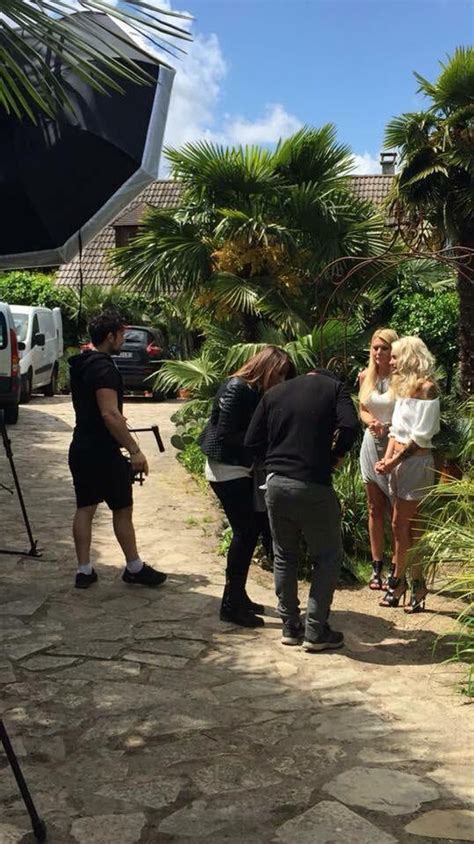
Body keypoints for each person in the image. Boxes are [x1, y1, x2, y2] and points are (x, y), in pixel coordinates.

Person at [245, 369, 360, 651]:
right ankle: (316, 630)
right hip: (313, 485)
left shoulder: (274, 393)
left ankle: (290, 626)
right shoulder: (335, 389)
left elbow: (251, 440)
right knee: (327, 555)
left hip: (276, 484)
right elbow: (350, 426)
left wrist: (272, 463)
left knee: (284, 555)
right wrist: (335, 456)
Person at [68, 311, 167, 590]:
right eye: (122, 335)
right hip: (102, 451)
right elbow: (110, 414)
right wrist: (135, 450)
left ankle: (84, 570)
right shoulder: (104, 368)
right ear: (110, 337)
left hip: (81, 446)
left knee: (85, 508)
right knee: (122, 508)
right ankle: (134, 567)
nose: (124, 339)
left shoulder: (81, 363)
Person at [199, 347, 295, 628]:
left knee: (249, 532)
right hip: (227, 469)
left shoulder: (252, 390)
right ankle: (230, 604)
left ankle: (237, 596)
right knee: (245, 532)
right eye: (279, 375)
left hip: (239, 467)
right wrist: (264, 443)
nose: (281, 381)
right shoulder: (237, 388)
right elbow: (227, 434)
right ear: (267, 368)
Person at [375, 336, 440, 612]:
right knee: (403, 527)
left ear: (410, 357)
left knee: (405, 526)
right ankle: (413, 583)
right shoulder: (403, 388)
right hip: (398, 463)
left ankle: (402, 581)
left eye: (395, 356)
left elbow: (420, 438)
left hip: (415, 464)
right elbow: (395, 431)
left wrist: (393, 462)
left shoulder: (428, 389)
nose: (391, 361)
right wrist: (387, 458)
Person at [358, 328, 399, 589]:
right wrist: (371, 421)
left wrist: (388, 425)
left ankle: (398, 566)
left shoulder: (402, 379)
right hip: (370, 442)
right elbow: (362, 408)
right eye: (375, 347)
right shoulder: (366, 376)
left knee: (396, 508)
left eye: (384, 348)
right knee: (374, 506)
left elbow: (408, 413)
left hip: (395, 444)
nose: (378, 352)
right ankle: (376, 566)